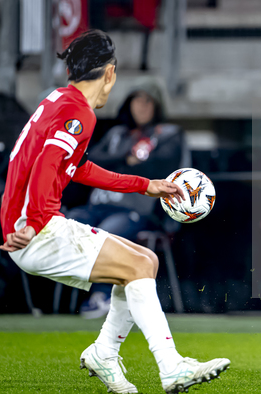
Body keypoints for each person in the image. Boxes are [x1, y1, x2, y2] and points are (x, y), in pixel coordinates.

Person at [0, 30, 229, 394]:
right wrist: (32, 224)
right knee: (138, 267)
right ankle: (171, 367)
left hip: (32, 225)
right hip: (37, 231)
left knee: (146, 261)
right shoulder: (79, 113)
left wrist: (145, 184)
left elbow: (80, 168)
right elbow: (46, 164)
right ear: (109, 73)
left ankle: (104, 352)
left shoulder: (59, 100)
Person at [67, 83, 190, 318]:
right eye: (136, 100)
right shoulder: (116, 134)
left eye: (147, 101)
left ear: (157, 105)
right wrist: (125, 159)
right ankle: (55, 298)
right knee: (68, 223)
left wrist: (116, 164)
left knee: (106, 233)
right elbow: (89, 160)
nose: (141, 106)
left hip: (137, 210)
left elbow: (160, 166)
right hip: (98, 205)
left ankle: (102, 295)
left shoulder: (167, 134)